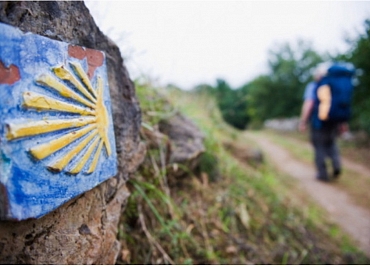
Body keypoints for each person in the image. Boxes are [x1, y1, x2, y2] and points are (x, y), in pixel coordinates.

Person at [299, 63, 347, 182]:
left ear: (317, 75)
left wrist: (303, 121)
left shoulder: (314, 86)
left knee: (319, 146)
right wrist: (343, 123)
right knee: (331, 143)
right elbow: (341, 105)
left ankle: (323, 174)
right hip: (334, 122)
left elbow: (309, 104)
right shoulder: (335, 86)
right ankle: (336, 165)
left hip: (318, 122)